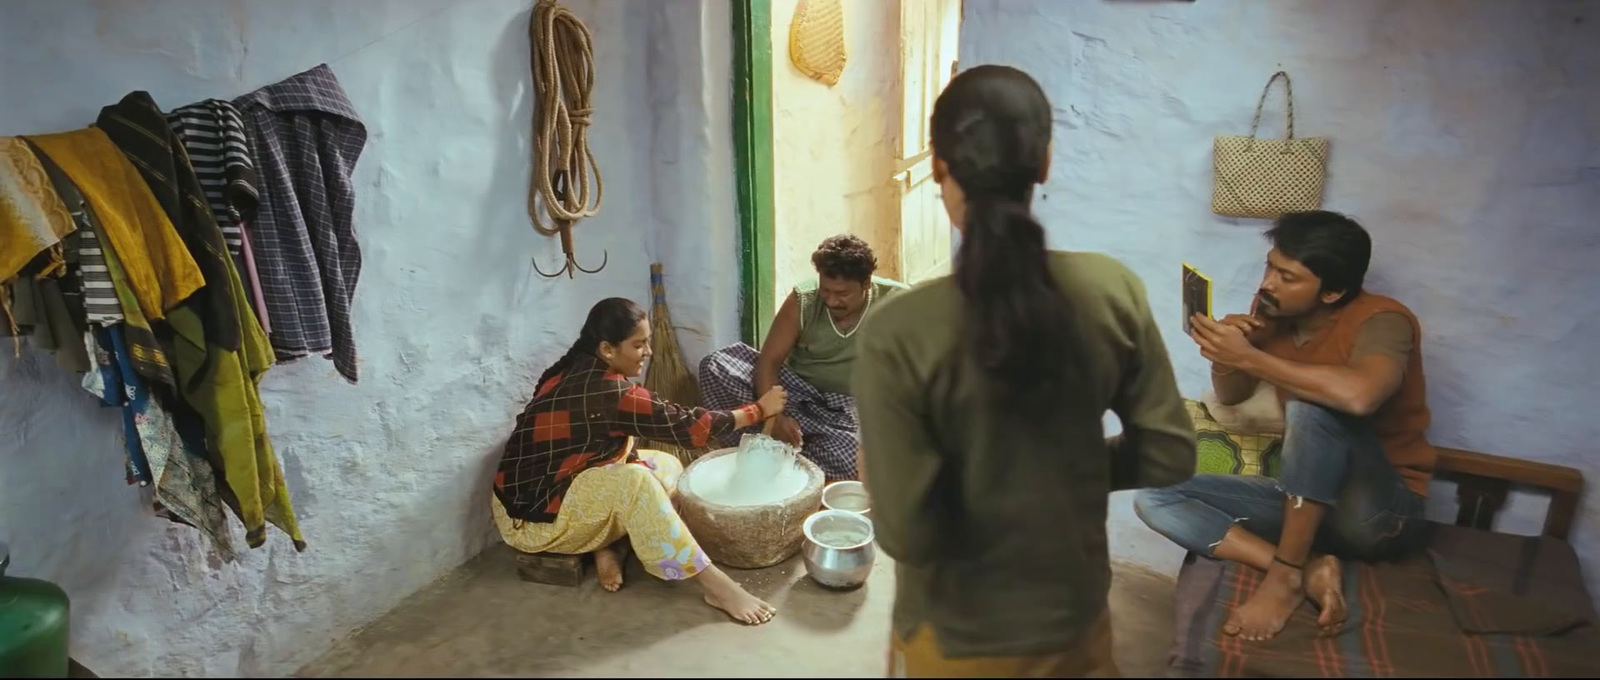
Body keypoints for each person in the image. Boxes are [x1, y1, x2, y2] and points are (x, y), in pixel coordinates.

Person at [854, 65, 1197, 678]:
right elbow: (1170, 454)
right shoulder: (1111, 289)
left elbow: (906, 534)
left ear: (937, 166)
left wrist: (885, 476)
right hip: (1078, 620)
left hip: (956, 641)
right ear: (1044, 163)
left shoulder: (898, 330)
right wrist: (1068, 472)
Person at [1134, 210, 1437, 642]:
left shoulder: (1384, 319)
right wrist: (1227, 356)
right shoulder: (1271, 315)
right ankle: (1311, 567)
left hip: (1383, 513)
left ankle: (1284, 577)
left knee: (1311, 408)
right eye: (1270, 266)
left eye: (1288, 277)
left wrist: (1252, 358)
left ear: (1332, 292)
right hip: (1310, 505)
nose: (1268, 284)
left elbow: (1361, 394)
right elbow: (1234, 395)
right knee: (1155, 495)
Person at [490, 297, 789, 625]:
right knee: (636, 482)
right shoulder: (611, 394)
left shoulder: (573, 364)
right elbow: (690, 428)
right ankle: (717, 586)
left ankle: (605, 547)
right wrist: (759, 410)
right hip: (531, 521)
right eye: (639, 345)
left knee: (665, 464)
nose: (648, 353)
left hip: (555, 488)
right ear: (607, 349)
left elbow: (603, 441)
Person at [699, 234, 908, 481]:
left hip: (850, 408)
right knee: (715, 366)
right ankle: (782, 444)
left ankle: (784, 453)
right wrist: (774, 416)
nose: (831, 300)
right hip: (796, 391)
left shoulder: (897, 302)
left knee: (857, 457)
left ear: (866, 283)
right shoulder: (804, 300)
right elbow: (769, 362)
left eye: (842, 294)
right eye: (825, 290)